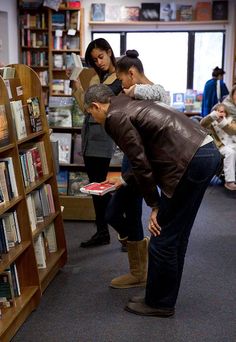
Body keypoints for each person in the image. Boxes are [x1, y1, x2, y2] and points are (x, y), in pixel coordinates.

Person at [84, 83, 222, 317]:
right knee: (177, 235)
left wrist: (155, 205)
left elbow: (140, 161)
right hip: (204, 152)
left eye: (91, 114)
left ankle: (160, 303)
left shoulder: (114, 117)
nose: (94, 119)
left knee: (162, 237)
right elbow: (147, 153)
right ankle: (159, 296)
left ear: (96, 106)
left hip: (191, 160)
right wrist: (124, 180)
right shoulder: (126, 104)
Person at [105, 49, 170, 289]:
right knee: (126, 214)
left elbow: (162, 95)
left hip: (144, 164)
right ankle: (138, 269)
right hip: (130, 160)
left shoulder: (153, 91)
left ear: (131, 74)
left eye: (122, 79)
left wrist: (134, 90)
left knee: (114, 213)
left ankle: (139, 268)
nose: (122, 86)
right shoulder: (126, 91)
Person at [71, 38, 122, 247]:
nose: (98, 62)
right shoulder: (98, 78)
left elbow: (97, 106)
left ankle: (123, 229)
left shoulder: (116, 80)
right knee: (96, 188)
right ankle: (103, 231)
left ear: (110, 52)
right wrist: (76, 85)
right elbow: (86, 107)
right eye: (94, 60)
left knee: (100, 189)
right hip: (91, 137)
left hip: (102, 137)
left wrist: (82, 90)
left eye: (101, 57)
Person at [200, 103, 236, 190]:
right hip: (220, 147)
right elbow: (202, 124)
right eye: (218, 111)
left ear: (226, 113)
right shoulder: (210, 122)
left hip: (233, 144)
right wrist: (213, 116)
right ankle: (229, 181)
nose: (220, 113)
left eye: (222, 111)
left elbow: (233, 130)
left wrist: (223, 122)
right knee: (230, 153)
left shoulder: (231, 121)